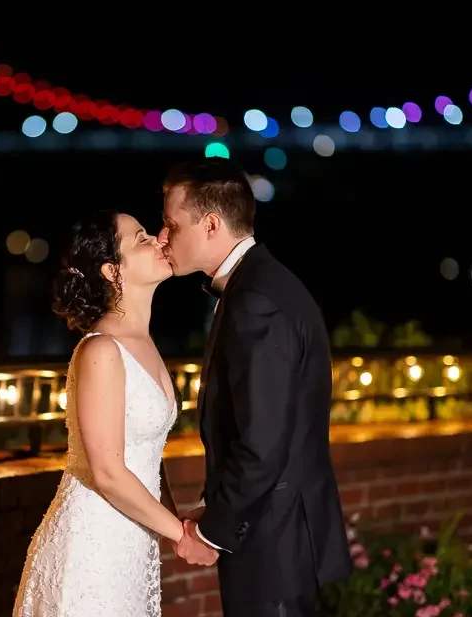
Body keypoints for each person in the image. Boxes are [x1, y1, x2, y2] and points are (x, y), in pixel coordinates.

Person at [158, 160, 352, 616]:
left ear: (210, 224)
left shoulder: (256, 300)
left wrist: (212, 533)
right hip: (279, 536)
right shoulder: (260, 285)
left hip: (275, 547)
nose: (163, 237)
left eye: (171, 224)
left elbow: (262, 443)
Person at [13, 210, 216, 617]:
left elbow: (145, 456)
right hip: (91, 548)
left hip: (130, 546)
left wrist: (177, 516)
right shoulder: (101, 350)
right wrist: (182, 535)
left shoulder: (144, 342)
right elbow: (107, 470)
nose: (160, 239)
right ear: (111, 270)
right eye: (141, 239)